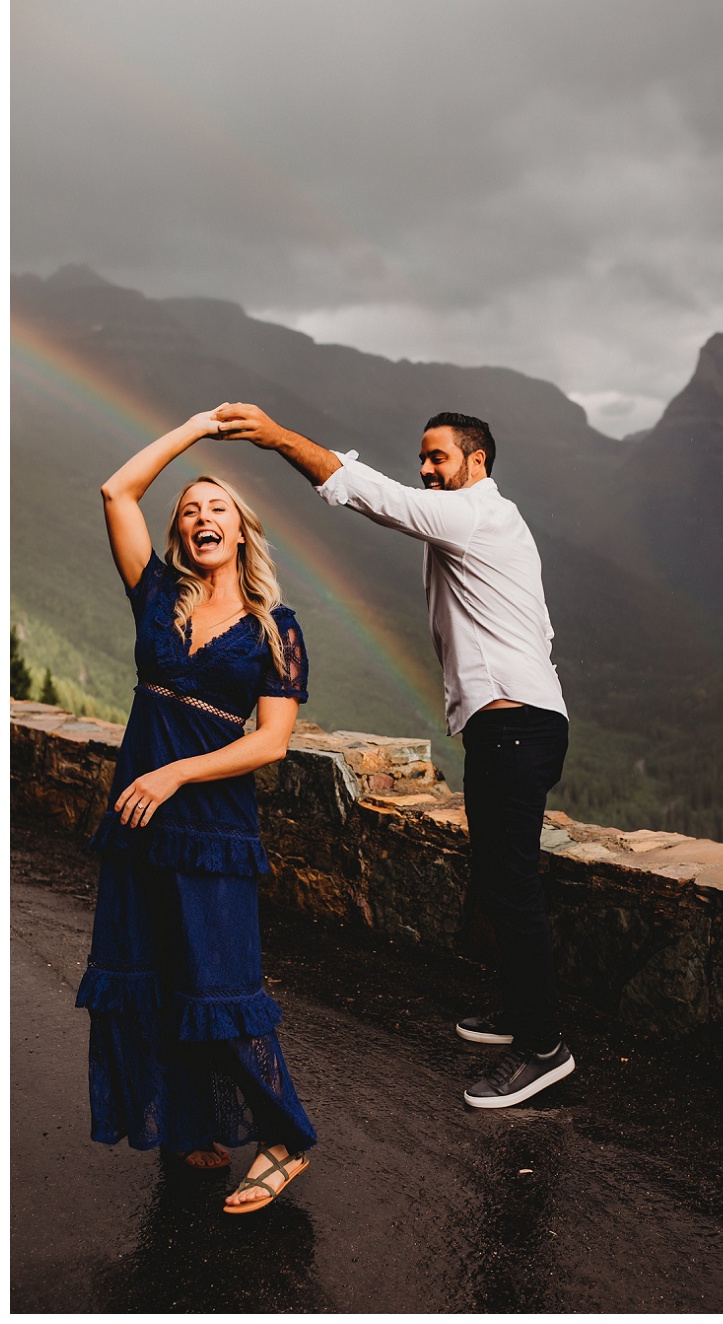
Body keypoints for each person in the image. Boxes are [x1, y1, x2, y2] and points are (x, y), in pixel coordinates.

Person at [212, 402, 575, 1109]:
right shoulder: (485, 526)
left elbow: (378, 498)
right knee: (501, 882)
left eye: (438, 457)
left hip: (516, 729)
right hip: (513, 725)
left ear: (477, 463)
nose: (426, 470)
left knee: (512, 889)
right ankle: (523, 1014)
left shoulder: (477, 514)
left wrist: (277, 436)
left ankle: (545, 1049)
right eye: (423, 457)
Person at [83, 410, 316, 1213]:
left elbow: (273, 742)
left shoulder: (275, 630)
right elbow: (118, 488)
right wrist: (193, 430)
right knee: (154, 973)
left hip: (211, 826)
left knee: (222, 979)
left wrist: (179, 771)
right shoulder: (156, 596)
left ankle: (284, 1137)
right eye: (190, 510)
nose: (202, 518)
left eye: (218, 508)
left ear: (243, 533)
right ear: (179, 535)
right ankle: (188, 1124)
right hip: (140, 817)